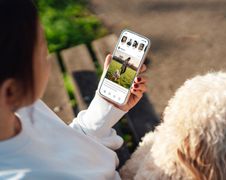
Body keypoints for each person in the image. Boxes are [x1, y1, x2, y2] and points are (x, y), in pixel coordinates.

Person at [0, 0, 147, 179]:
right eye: (43, 51)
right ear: (11, 91)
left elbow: (69, 148)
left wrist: (107, 105)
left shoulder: (20, 108)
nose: (48, 59)